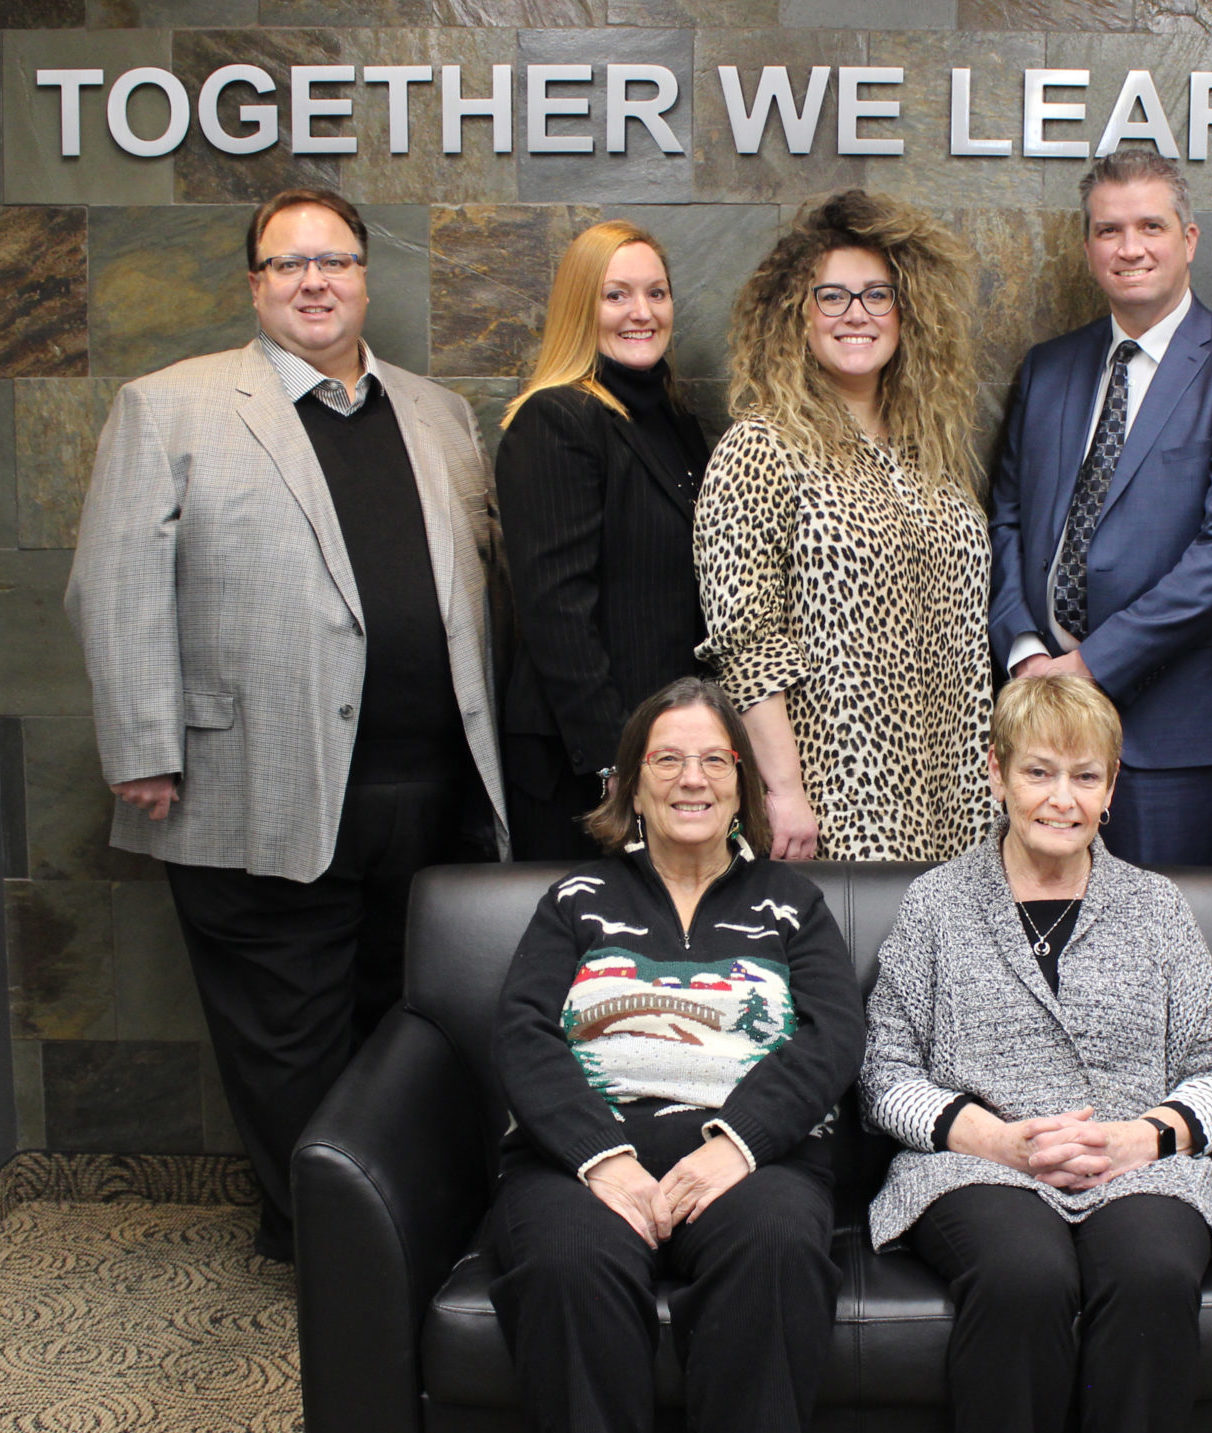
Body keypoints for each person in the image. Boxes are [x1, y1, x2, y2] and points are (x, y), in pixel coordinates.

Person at [64, 188, 507, 1263]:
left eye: (336, 260)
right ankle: (332, 1248)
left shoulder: (439, 413)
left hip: (430, 791)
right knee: (287, 1037)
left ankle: (381, 1220)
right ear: (254, 284)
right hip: (255, 783)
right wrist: (143, 744)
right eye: (289, 263)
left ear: (365, 277)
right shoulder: (170, 405)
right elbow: (111, 581)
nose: (315, 281)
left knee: (399, 1023)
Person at [861, 674, 1212, 1433]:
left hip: (1137, 1164)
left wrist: (1142, 1138)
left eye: (1085, 777)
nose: (1061, 799)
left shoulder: (1157, 907)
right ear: (997, 772)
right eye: (1038, 772)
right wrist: (1000, 1141)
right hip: (976, 1164)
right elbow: (885, 1073)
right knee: (1022, 1276)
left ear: (1111, 788)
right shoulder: (936, 903)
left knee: (1151, 1274)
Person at [490, 676, 865, 1433]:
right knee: (567, 1262)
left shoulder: (793, 902)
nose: (692, 779)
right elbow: (522, 1031)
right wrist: (600, 1157)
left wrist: (740, 1143)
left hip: (753, 1165)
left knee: (775, 1247)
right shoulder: (577, 899)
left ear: (740, 785)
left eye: (714, 760)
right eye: (667, 760)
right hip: (581, 1165)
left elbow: (833, 1034)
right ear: (631, 785)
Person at [989, 150, 1212, 868]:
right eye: (1109, 230)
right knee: (1037, 925)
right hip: (1037, 725)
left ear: (1188, 239)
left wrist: (1089, 664)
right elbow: (1005, 518)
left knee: (1155, 930)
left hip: (1171, 738)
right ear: (1087, 249)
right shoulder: (1048, 368)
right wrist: (1027, 653)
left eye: (1150, 227)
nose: (1129, 248)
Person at [694, 188, 992, 862]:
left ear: (906, 312)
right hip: (839, 794)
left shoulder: (931, 452)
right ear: (795, 314)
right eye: (831, 296)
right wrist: (783, 791)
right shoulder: (761, 447)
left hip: (957, 793)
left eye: (877, 295)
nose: (856, 314)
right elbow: (747, 645)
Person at [495, 220, 712, 860]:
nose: (641, 312)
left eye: (656, 293)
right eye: (616, 295)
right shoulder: (555, 419)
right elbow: (556, 610)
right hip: (586, 772)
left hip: (668, 758)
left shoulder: (676, 425)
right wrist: (616, 765)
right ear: (579, 307)